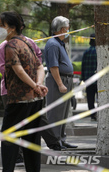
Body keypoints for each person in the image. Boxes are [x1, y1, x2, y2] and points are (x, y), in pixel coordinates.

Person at [0, 11, 48, 172]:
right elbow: (39, 66)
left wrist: (34, 86)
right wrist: (38, 85)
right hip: (35, 100)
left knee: (8, 139)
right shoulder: (28, 42)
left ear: (12, 28)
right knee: (32, 140)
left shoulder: (10, 46)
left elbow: (18, 70)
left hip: (18, 100)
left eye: (1, 26)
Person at [44, 16, 78, 149]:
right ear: (60, 29)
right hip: (58, 80)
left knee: (63, 112)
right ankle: (55, 141)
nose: (67, 30)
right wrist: (60, 84)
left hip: (66, 79)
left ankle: (61, 139)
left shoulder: (59, 43)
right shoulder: (52, 44)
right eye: (66, 28)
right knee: (56, 112)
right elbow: (53, 66)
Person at [81, 33, 97, 121]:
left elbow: (83, 66)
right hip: (98, 80)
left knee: (90, 99)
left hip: (88, 80)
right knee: (101, 98)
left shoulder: (86, 52)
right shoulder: (99, 52)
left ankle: (93, 115)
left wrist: (82, 78)